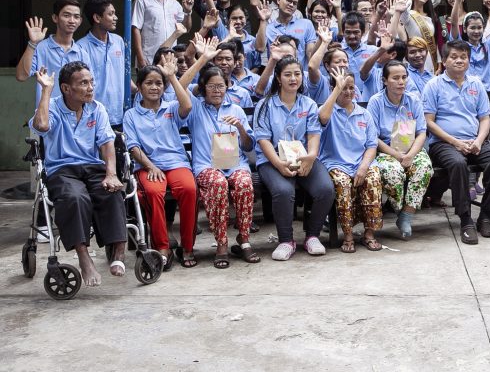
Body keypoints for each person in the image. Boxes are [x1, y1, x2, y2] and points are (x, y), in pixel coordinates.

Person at [31, 61, 126, 287]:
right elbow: (42, 126)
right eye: (83, 83)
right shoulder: (52, 106)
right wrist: (45, 90)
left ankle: (119, 253)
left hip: (92, 167)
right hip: (62, 170)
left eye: (91, 82)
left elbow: (106, 143)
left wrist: (111, 173)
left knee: (112, 191)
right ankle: (84, 257)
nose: (90, 87)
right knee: (75, 198)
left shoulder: (97, 108)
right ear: (66, 88)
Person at [423, 40, 490, 245]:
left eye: (463, 57)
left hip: (474, 141)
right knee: (458, 164)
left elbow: (485, 118)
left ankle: (486, 215)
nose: (459, 61)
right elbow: (428, 122)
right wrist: (455, 142)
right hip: (443, 143)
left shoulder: (476, 84)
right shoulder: (434, 85)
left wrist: (478, 140)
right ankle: (466, 219)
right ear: (445, 60)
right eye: (454, 57)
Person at [253, 55, 333, 260]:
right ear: (278, 78)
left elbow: (314, 134)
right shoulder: (265, 105)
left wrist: (311, 157)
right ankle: (286, 241)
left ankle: (312, 236)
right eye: (287, 74)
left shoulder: (308, 104)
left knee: (325, 189)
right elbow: (263, 141)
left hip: (303, 158)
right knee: (283, 190)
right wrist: (279, 164)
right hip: (272, 160)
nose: (293, 78)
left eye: (297, 74)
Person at [123, 56, 198, 269]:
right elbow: (134, 147)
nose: (154, 87)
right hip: (148, 165)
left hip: (176, 162)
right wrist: (150, 166)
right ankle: (162, 248)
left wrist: (172, 77)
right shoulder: (131, 115)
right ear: (139, 87)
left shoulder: (171, 108)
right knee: (153, 192)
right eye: (149, 83)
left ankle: (188, 246)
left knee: (189, 189)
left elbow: (187, 105)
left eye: (158, 83)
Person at [186, 59, 258, 268]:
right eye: (211, 86)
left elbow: (248, 146)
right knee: (218, 184)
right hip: (207, 165)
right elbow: (180, 88)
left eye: (221, 86)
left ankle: (244, 240)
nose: (217, 91)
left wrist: (241, 129)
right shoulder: (195, 109)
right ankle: (221, 243)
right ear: (203, 88)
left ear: (227, 86)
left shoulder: (236, 110)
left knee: (244, 183)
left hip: (235, 164)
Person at [367, 60, 434, 239]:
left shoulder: (413, 100)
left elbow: (422, 133)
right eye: (395, 78)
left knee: (424, 167)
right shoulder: (376, 102)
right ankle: (399, 210)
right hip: (386, 151)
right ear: (385, 80)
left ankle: (407, 215)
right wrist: (396, 155)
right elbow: (373, 137)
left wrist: (410, 155)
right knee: (393, 173)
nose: (401, 82)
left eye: (404, 77)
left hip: (412, 149)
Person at [319, 70, 384, 253]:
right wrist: (336, 90)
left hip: (361, 162)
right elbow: (322, 118)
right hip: (336, 163)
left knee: (373, 178)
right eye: (343, 88)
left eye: (351, 87)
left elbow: (372, 145)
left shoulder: (364, 114)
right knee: (342, 183)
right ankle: (347, 235)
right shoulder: (329, 110)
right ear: (333, 89)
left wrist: (363, 167)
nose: (348, 92)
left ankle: (369, 234)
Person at [17, 0, 85, 107]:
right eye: (66, 15)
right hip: (46, 115)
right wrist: (33, 43)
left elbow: (88, 87)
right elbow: (21, 76)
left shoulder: (82, 53)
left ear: (80, 21)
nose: (72, 20)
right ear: (55, 18)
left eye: (76, 17)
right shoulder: (40, 48)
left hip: (74, 118)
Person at [132, 0, 193, 68]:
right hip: (149, 57)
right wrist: (140, 57)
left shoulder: (175, 4)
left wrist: (187, 12)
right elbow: (135, 29)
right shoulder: (142, 1)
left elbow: (186, 29)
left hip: (170, 58)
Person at [264, 0, 318, 67]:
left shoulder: (306, 24)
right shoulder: (268, 28)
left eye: (295, 3)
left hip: (300, 74)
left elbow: (310, 54)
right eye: (289, 0)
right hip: (275, 76)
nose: (291, 5)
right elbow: (259, 48)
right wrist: (263, 20)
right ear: (279, 0)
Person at [339, 11, 378, 101]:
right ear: (343, 32)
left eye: (356, 32)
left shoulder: (373, 51)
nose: (352, 36)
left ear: (363, 32)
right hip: (343, 98)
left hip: (368, 100)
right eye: (348, 32)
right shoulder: (336, 51)